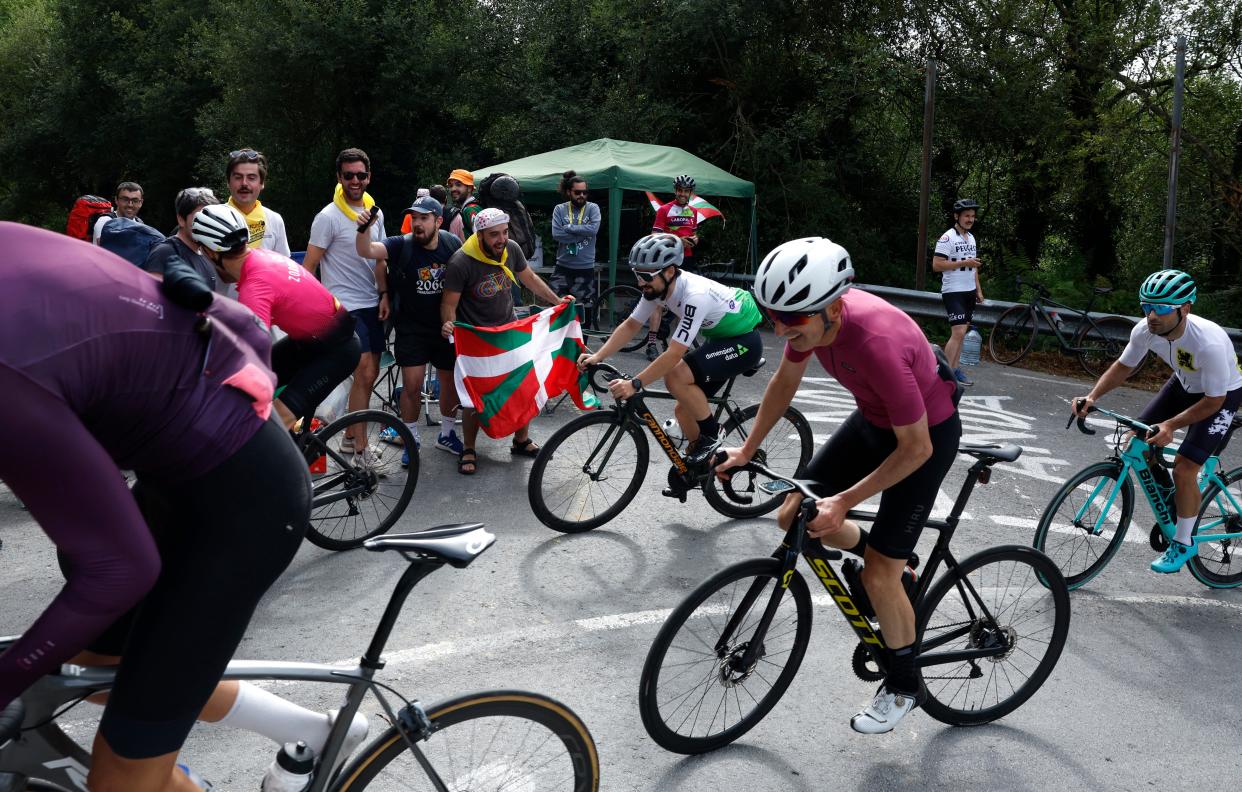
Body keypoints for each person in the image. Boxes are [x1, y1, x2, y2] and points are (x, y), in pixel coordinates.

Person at [0, 221, 318, 791]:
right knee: (87, 672)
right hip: (180, 467)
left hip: (246, 505)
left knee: (120, 776)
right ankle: (307, 733)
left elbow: (119, 571)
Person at [715, 236, 961, 735]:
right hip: (873, 421)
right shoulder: (811, 325)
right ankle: (895, 568)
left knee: (877, 576)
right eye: (772, 314)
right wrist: (746, 448)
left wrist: (845, 500)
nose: (782, 328)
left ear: (831, 307)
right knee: (793, 514)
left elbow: (915, 450)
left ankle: (905, 685)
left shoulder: (876, 342)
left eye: (795, 318)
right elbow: (783, 384)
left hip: (925, 436)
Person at [1071, 269, 1242, 573]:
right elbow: (1123, 367)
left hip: (1221, 395)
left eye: (1162, 308)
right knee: (1137, 440)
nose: (1152, 315)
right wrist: (1093, 396)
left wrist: (1171, 426)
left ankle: (1184, 542)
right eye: (1147, 306)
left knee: (1186, 468)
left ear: (1184, 308)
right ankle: (1173, 502)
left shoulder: (1209, 343)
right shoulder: (1145, 330)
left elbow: (1214, 401)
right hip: (1184, 383)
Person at [578, 234, 763, 465]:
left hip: (744, 341)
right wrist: (598, 355)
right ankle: (703, 467)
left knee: (676, 376)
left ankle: (713, 434)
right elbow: (631, 325)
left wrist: (635, 384)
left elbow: (674, 353)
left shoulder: (694, 295)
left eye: (645, 276)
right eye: (637, 275)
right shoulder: (657, 290)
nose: (639, 282)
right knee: (684, 411)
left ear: (669, 271)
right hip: (719, 339)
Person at [192, 205, 361, 436]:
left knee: (268, 429)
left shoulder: (255, 288)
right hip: (310, 344)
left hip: (337, 352)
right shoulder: (261, 256)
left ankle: (286, 470)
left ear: (212, 253)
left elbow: (252, 355)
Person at [441, 207, 570, 475]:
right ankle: (468, 448)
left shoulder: (511, 248)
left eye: (504, 232)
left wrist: (557, 302)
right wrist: (449, 325)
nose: (501, 239)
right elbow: (449, 303)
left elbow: (530, 279)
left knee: (524, 387)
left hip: (509, 332)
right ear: (479, 235)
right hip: (477, 340)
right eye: (493, 235)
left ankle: (521, 441)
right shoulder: (461, 262)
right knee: (474, 399)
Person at [356, 195, 465, 465]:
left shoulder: (453, 244)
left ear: (438, 221)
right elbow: (367, 251)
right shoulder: (400, 244)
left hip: (444, 326)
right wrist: (363, 229)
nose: (417, 224)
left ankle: (447, 434)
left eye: (424, 218)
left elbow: (469, 274)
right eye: (414, 218)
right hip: (411, 327)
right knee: (412, 386)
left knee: (449, 383)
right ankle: (412, 438)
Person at [303, 148, 387, 453]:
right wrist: (313, 309)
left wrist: (384, 294)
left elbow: (381, 256)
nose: (355, 180)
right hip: (342, 306)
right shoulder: (327, 217)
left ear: (369, 177)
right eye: (348, 175)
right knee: (364, 371)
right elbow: (308, 267)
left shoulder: (375, 211)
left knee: (370, 373)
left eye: (361, 175)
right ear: (339, 177)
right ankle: (363, 450)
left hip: (371, 302)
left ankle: (352, 438)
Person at [647, 174, 702, 361]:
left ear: (690, 193)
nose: (683, 194)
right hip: (667, 259)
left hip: (686, 259)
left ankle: (678, 346)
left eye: (686, 191)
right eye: (680, 190)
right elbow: (655, 235)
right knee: (658, 301)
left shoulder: (693, 212)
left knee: (686, 301)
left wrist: (695, 240)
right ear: (675, 190)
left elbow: (693, 234)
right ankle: (651, 344)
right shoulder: (664, 210)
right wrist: (678, 240)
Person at [932, 198, 984, 386]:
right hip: (953, 290)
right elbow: (937, 265)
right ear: (957, 216)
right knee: (959, 331)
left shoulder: (971, 238)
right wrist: (964, 263)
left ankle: (953, 371)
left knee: (962, 333)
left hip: (969, 290)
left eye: (972, 216)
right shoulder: (947, 238)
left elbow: (973, 267)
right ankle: (942, 374)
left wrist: (978, 289)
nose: (970, 219)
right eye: (966, 216)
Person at [142, 187, 224, 292]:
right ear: (181, 219)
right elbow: (151, 297)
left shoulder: (207, 254)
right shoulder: (165, 252)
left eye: (209, 219)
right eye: (198, 218)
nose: (205, 224)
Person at [550, 170, 601, 310]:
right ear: (568, 192)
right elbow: (556, 234)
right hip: (563, 267)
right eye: (577, 193)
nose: (582, 196)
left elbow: (593, 230)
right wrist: (584, 231)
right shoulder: (559, 209)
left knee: (585, 311)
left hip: (585, 267)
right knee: (558, 309)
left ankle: (583, 333)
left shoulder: (593, 208)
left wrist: (569, 227)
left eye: (585, 192)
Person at [225, 148, 291, 255]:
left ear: (262, 183)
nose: (244, 183)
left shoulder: (274, 220)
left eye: (251, 178)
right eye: (238, 177)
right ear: (228, 182)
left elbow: (283, 265)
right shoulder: (213, 218)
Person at [446, 168, 481, 241]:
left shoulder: (469, 210)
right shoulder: (473, 206)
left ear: (469, 188)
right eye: (451, 186)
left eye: (458, 185)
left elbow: (481, 239)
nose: (453, 189)